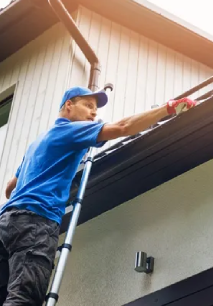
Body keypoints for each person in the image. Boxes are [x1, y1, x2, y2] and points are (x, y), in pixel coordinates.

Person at [0, 86, 196, 306]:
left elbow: (10, 188)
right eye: (88, 106)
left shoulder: (37, 143)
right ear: (68, 106)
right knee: (24, 297)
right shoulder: (70, 130)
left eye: (95, 109)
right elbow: (123, 127)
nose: (94, 113)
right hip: (35, 223)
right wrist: (167, 108)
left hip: (6, 222)